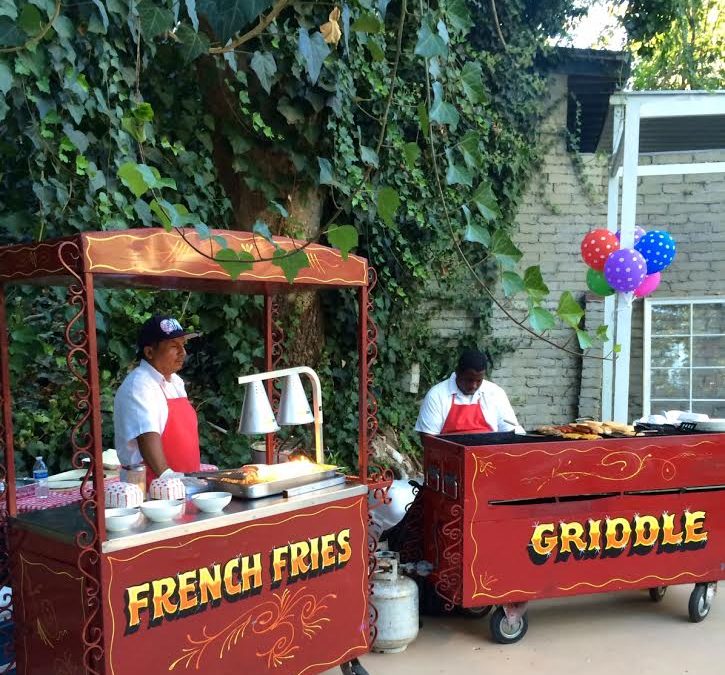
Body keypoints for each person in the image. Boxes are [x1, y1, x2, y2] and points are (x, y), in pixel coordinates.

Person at [114, 315, 201, 482]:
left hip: (184, 482)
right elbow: (147, 435)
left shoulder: (176, 381)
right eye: (174, 346)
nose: (183, 352)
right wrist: (167, 477)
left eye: (183, 345)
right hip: (150, 489)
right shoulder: (138, 385)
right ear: (149, 352)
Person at [415, 348, 523, 435]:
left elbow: (511, 431)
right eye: (469, 380)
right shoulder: (437, 395)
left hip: (489, 458)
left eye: (479, 380)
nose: (474, 386)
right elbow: (428, 440)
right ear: (457, 372)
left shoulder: (495, 393)